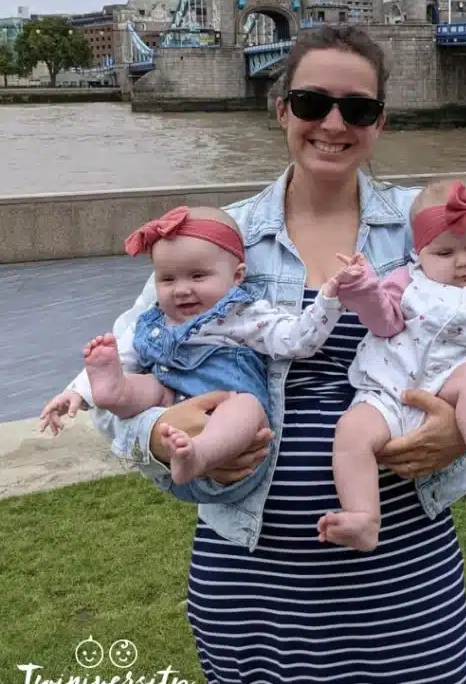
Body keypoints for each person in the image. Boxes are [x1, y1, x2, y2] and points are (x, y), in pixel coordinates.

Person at [62, 25, 466, 684]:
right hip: (251, 566)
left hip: (400, 560)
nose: (333, 124)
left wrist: (465, 427)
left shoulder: (430, 226)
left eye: (356, 109)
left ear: (380, 123)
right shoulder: (214, 237)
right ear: (281, 111)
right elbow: (124, 364)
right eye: (311, 103)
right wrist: (153, 432)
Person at [41, 205, 347, 492]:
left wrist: (327, 302)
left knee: (247, 408)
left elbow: (296, 340)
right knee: (143, 384)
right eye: (168, 279)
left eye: (197, 276)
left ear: (237, 276)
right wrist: (77, 393)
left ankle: (199, 454)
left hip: (227, 417)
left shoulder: (243, 314)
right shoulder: (154, 321)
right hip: (169, 400)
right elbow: (123, 354)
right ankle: (115, 393)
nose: (182, 289)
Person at [318, 178, 466, 552]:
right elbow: (384, 322)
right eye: (445, 254)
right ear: (420, 253)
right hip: (388, 387)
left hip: (451, 383)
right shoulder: (407, 282)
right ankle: (364, 516)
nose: (463, 263)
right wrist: (365, 292)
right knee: (350, 432)